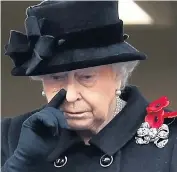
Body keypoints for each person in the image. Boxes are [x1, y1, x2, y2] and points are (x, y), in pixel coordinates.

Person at [1, 1, 177, 172]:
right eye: (56, 77)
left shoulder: (171, 141)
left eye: (86, 77)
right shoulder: (10, 136)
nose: (70, 96)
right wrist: (20, 163)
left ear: (118, 76)